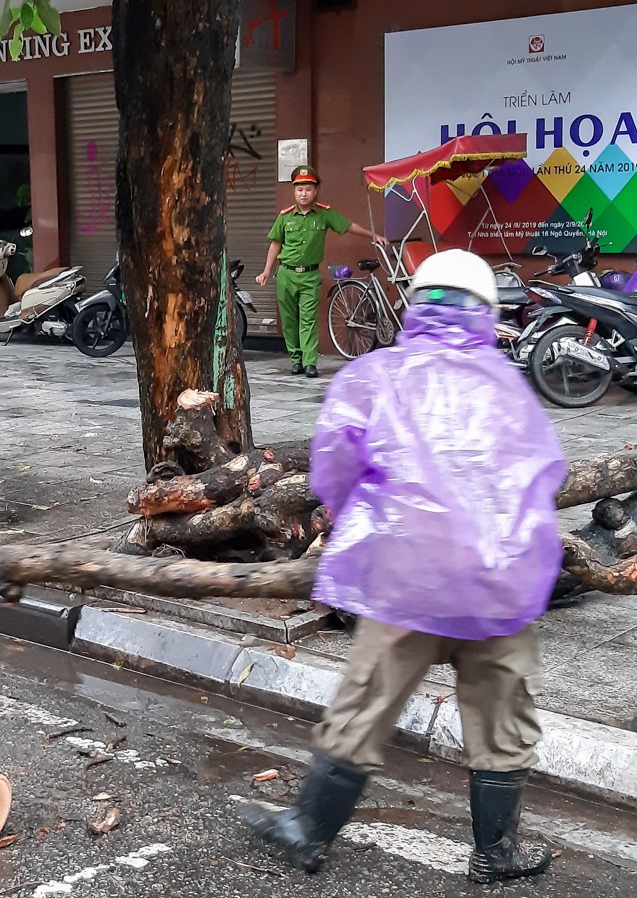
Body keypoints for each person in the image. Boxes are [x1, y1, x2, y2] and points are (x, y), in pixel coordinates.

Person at [241, 249, 567, 884]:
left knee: (365, 700)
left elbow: (332, 467)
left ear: (415, 304)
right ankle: (495, 853)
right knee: (504, 708)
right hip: (496, 585)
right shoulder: (509, 384)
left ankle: (307, 829)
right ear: (487, 314)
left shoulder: (373, 375)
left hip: (405, 575)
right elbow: (542, 478)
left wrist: (364, 524)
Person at [257, 166, 388, 378]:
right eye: (299, 189)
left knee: (308, 319)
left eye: (308, 189)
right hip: (286, 274)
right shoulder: (285, 217)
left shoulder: (325, 214)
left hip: (310, 276)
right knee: (289, 319)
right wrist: (266, 271)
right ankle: (296, 360)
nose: (303, 193)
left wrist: (372, 235)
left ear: (315, 191)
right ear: (294, 191)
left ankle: (310, 362)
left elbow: (347, 226)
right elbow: (275, 244)